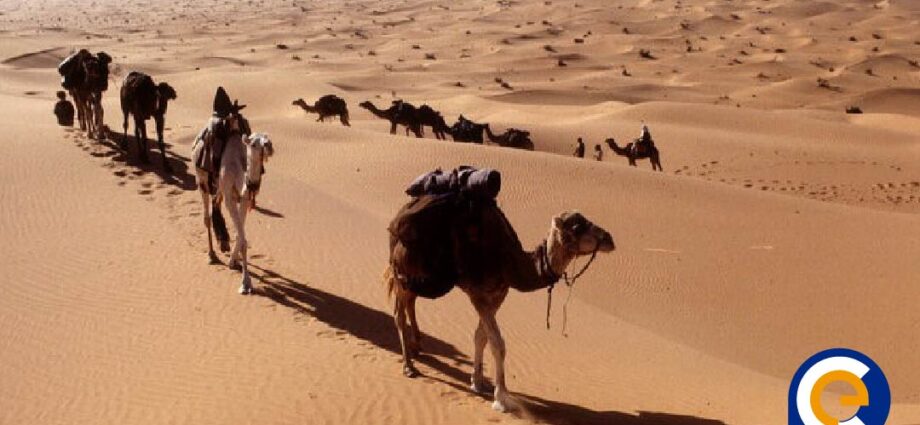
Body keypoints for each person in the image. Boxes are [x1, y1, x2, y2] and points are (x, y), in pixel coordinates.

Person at [193, 87, 248, 194]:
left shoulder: (237, 121)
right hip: (217, 132)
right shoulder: (216, 124)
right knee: (218, 145)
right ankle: (215, 173)